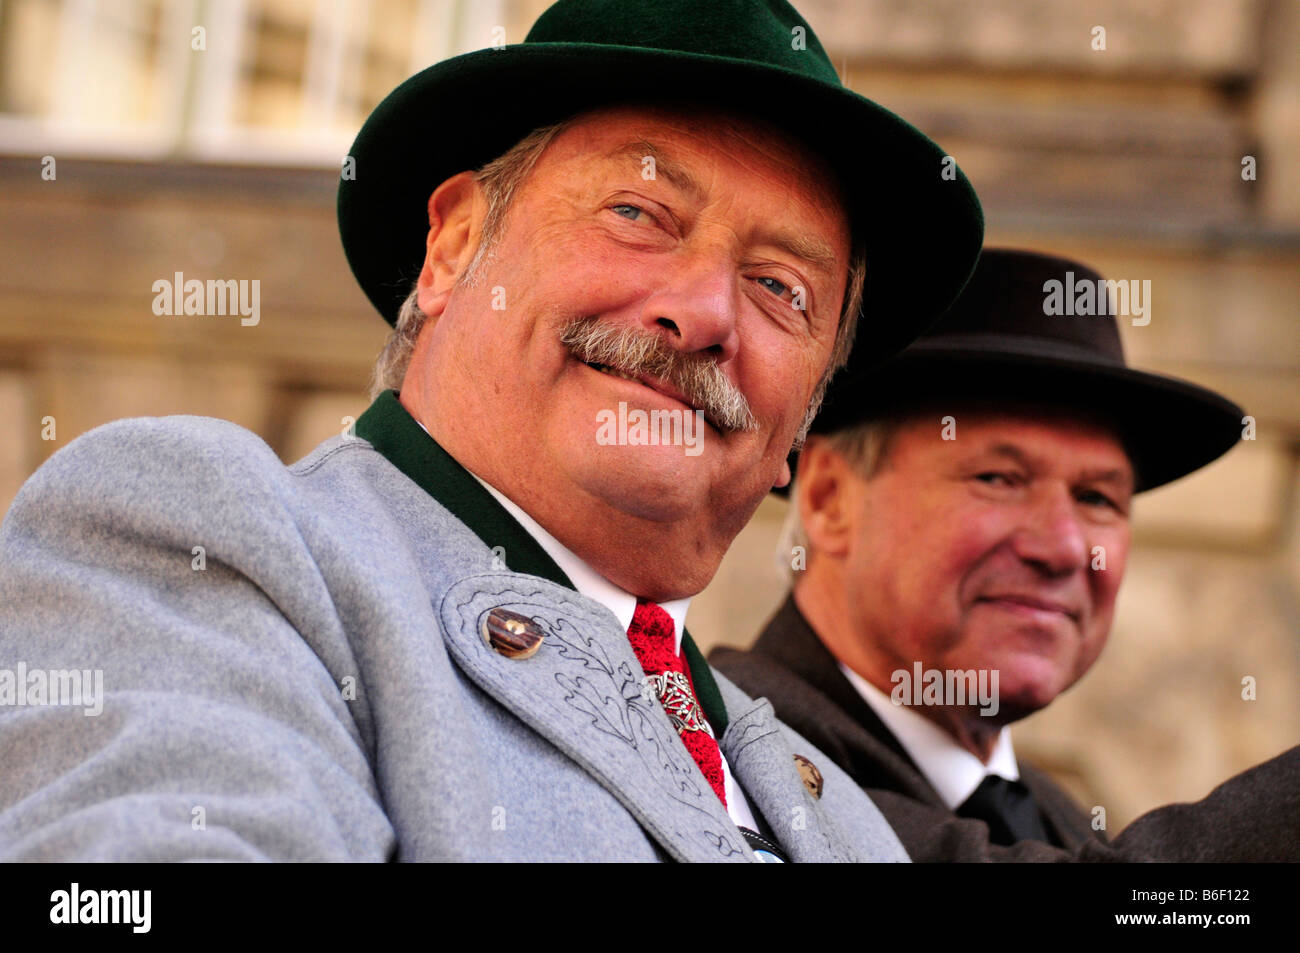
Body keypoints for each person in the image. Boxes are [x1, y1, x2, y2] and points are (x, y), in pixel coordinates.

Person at [0, 0, 985, 861]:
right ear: (456, 244)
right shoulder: (217, 539)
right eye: (637, 210)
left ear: (803, 418)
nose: (702, 313)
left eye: (780, 287)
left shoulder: (834, 806)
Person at [711, 248, 1300, 861]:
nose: (1064, 548)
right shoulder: (728, 756)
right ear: (831, 498)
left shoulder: (1055, 815)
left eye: (1097, 497)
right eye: (998, 479)